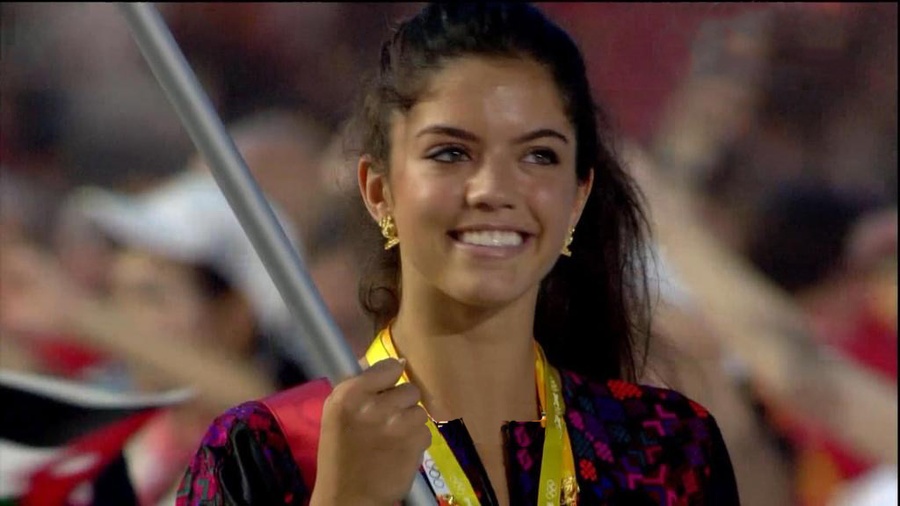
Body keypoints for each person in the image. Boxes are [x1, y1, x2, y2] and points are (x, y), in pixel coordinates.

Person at [176, 3, 740, 505]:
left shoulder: (667, 448)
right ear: (379, 191)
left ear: (577, 198)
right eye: (450, 152)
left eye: (539, 156)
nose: (493, 189)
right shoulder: (268, 449)